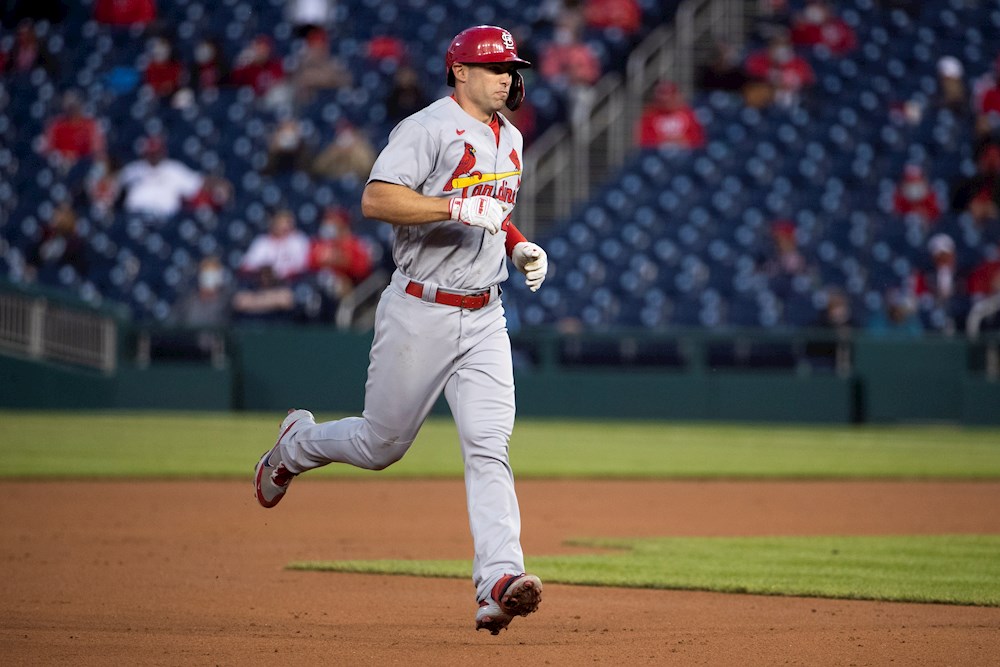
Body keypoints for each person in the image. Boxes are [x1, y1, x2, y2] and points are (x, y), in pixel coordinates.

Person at [253, 25, 548, 636]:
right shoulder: (425, 128)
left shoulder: (512, 136)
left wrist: (517, 244)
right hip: (420, 308)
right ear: (460, 72)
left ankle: (498, 580)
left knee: (489, 446)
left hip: (486, 315)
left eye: (511, 69)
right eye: (495, 68)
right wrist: (452, 206)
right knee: (380, 446)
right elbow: (377, 200)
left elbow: (492, 210)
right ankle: (295, 445)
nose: (507, 78)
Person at [117, 135, 206, 218]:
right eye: (151, 153)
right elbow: (115, 185)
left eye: (156, 152)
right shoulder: (134, 169)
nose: (154, 156)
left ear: (163, 152)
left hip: (164, 218)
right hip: (135, 216)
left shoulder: (174, 169)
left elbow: (196, 186)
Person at [239, 208, 310, 280]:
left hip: (293, 281)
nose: (284, 226)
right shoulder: (262, 242)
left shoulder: (298, 240)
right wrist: (264, 271)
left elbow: (305, 265)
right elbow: (247, 266)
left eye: (287, 222)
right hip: (266, 282)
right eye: (281, 222)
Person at [40, 90, 106, 166]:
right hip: (60, 164)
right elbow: (47, 150)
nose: (71, 109)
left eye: (73, 106)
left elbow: (97, 151)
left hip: (84, 164)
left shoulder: (90, 125)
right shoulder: (56, 125)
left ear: (80, 106)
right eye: (69, 106)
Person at [634, 80, 705, 150]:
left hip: (686, 154)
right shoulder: (649, 117)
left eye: (670, 97)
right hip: (658, 154)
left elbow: (698, 140)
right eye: (662, 98)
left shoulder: (690, 115)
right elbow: (645, 143)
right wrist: (665, 140)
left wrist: (683, 141)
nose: (666, 101)